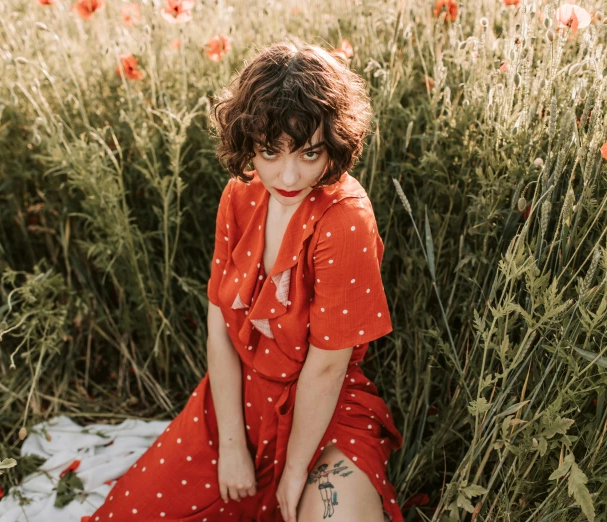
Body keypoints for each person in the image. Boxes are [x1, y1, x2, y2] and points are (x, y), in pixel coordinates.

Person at [87, 40, 404, 522]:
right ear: (248, 143)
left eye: (310, 151)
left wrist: (295, 471)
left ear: (335, 142)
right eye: (269, 152)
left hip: (321, 416)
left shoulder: (344, 220)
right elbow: (220, 324)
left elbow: (326, 368)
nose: (289, 174)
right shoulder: (240, 194)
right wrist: (231, 443)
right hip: (234, 403)